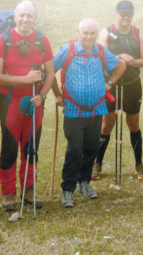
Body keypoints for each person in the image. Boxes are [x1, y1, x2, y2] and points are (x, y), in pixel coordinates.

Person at [51, 18, 126, 208]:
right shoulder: (67, 50)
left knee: (92, 147)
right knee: (75, 149)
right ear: (79, 32)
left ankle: (84, 183)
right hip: (73, 109)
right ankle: (68, 189)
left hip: (96, 110)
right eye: (85, 32)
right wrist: (58, 95)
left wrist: (109, 83)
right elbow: (49, 70)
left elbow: (121, 65)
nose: (89, 36)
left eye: (93, 33)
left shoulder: (101, 51)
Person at [0, 0, 55, 211]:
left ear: (35, 18)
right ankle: (8, 192)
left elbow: (51, 73)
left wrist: (43, 95)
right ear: (15, 17)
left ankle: (29, 189)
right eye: (22, 15)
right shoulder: (3, 40)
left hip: (35, 101)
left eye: (30, 15)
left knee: (31, 147)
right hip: (10, 102)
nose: (25, 19)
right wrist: (25, 80)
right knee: (9, 147)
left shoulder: (41, 39)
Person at [94, 0, 143, 180]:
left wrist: (131, 61)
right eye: (122, 14)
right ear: (116, 15)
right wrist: (119, 58)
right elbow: (100, 55)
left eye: (129, 14)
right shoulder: (106, 31)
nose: (126, 17)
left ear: (133, 15)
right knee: (106, 124)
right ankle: (97, 164)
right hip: (111, 83)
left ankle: (139, 163)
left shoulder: (138, 33)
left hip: (132, 83)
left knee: (133, 123)